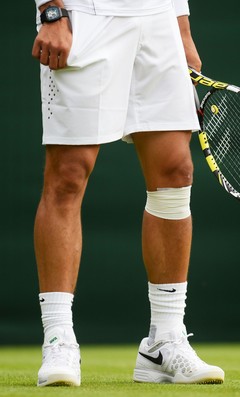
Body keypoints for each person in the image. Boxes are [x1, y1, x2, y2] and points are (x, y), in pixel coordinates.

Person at [32, 0, 225, 387]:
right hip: (84, 17)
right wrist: (50, 12)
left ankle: (164, 341)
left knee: (176, 172)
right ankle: (58, 338)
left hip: (157, 21)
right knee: (68, 175)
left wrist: (182, 30)